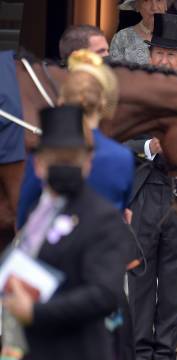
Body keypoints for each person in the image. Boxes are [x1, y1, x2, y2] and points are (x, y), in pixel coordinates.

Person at [3, 105, 129, 360]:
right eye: (56, 158)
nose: (64, 166)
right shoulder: (38, 209)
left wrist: (36, 312)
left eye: (72, 158)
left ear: (87, 164)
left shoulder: (102, 217)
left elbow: (104, 294)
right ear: (38, 165)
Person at [125, 13, 177, 360]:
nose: (166, 60)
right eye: (160, 53)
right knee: (140, 279)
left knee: (174, 282)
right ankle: (138, 358)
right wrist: (150, 146)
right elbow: (119, 141)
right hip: (143, 192)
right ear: (150, 56)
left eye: (173, 55)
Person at [16, 50, 133, 230]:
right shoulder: (123, 157)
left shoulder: (44, 152)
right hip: (102, 253)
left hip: (52, 254)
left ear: (61, 101)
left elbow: (23, 220)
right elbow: (120, 216)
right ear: (103, 103)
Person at [110, 0, 177, 76]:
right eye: (146, 0)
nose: (154, 7)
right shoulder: (122, 37)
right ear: (137, 6)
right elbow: (114, 79)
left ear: (165, 4)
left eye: (159, 0)